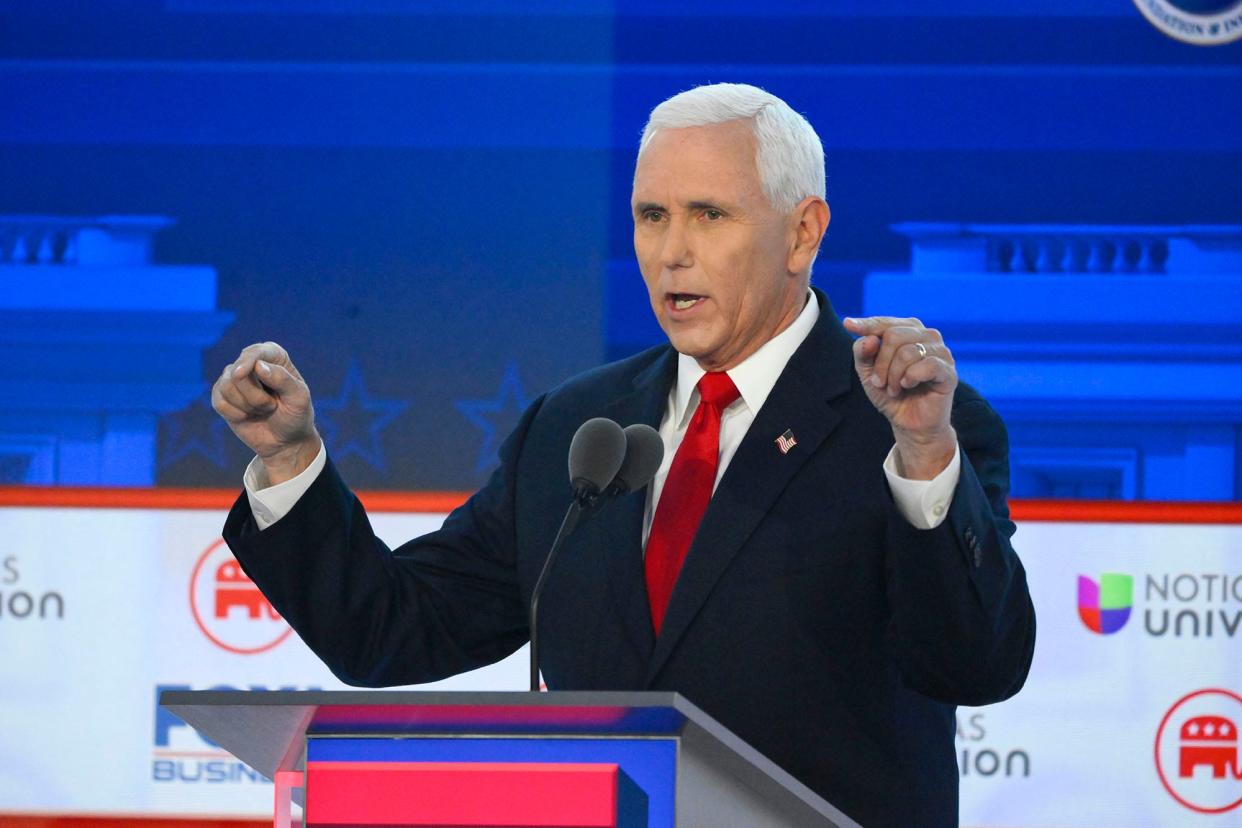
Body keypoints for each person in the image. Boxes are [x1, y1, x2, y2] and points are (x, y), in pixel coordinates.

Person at [213, 83, 1035, 828]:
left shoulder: (909, 426)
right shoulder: (579, 427)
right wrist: (291, 463)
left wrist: (926, 455)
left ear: (803, 232)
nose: (670, 251)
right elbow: (392, 630)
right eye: (652, 216)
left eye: (709, 214)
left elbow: (975, 662)